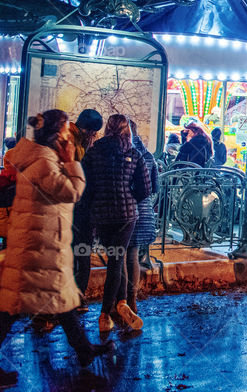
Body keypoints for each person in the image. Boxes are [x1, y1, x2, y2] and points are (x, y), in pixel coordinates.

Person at [0, 110, 113, 385]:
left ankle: (85, 352)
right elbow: (72, 191)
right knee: (12, 309)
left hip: (45, 244)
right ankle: (85, 352)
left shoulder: (41, 158)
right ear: (55, 136)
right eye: (64, 131)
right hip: (37, 248)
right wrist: (70, 161)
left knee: (62, 300)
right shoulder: (44, 163)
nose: (68, 135)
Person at [82, 114, 151, 333]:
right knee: (117, 259)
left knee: (114, 259)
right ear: (126, 130)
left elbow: (85, 185)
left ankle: (109, 311)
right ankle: (115, 305)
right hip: (126, 216)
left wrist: (96, 202)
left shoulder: (93, 152)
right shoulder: (134, 153)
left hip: (102, 215)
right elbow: (145, 189)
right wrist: (129, 198)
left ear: (107, 129)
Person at [69, 108, 103, 308]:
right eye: (92, 131)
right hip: (76, 208)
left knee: (80, 254)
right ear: (86, 129)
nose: (94, 136)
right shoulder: (70, 143)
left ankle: (76, 297)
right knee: (79, 253)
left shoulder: (80, 142)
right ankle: (75, 297)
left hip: (81, 208)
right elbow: (78, 172)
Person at [130, 120, 159, 274]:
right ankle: (130, 297)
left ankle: (121, 296)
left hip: (126, 211)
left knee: (122, 257)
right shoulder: (148, 155)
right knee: (132, 256)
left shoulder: (125, 153)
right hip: (145, 211)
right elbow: (155, 186)